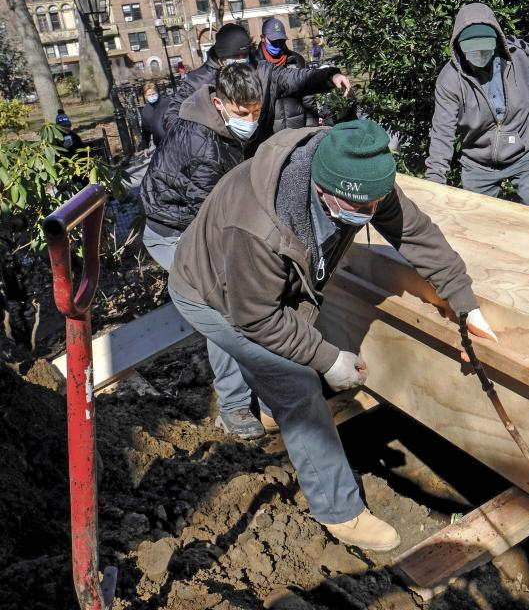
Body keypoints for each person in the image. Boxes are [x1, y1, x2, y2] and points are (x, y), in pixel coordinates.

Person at [167, 119, 497, 551]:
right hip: (210, 294)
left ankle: (271, 412)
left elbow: (416, 233)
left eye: (373, 205)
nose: (365, 216)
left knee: (295, 345)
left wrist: (463, 299)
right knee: (298, 384)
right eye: (355, 207)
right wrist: (326, 359)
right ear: (322, 187)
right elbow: (257, 318)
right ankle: (340, 511)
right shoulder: (256, 226)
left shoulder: (362, 178)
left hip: (262, 291)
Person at [139, 63, 269, 439]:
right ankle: (234, 407)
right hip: (174, 231)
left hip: (185, 216)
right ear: (219, 103)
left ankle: (257, 386)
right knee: (220, 307)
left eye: (257, 112)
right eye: (244, 114)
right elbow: (209, 219)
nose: (251, 120)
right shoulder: (207, 148)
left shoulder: (204, 112)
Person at [424, 2, 529, 210]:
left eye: (484, 47)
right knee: (478, 223)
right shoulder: (450, 79)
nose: (479, 53)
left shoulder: (520, 56)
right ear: (459, 46)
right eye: (472, 49)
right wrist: (434, 181)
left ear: (496, 41)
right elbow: (442, 133)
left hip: (526, 153)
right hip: (479, 163)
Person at [162, 23, 351, 146]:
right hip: (218, 154)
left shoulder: (263, 70)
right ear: (220, 57)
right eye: (234, 57)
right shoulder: (196, 82)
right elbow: (172, 118)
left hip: (258, 150)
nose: (240, 60)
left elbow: (295, 78)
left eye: (243, 56)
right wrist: (200, 141)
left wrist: (328, 76)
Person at [254, 18, 320, 132]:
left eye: (281, 41)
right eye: (274, 41)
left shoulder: (297, 60)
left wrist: (311, 127)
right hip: (269, 134)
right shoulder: (254, 64)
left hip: (298, 129)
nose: (278, 45)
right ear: (263, 38)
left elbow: (308, 96)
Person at [139, 82, 170, 150]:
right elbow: (145, 130)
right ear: (145, 96)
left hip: (174, 139)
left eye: (153, 94)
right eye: (149, 95)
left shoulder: (167, 103)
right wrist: (145, 146)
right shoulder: (145, 111)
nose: (152, 96)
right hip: (160, 145)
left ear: (157, 93)